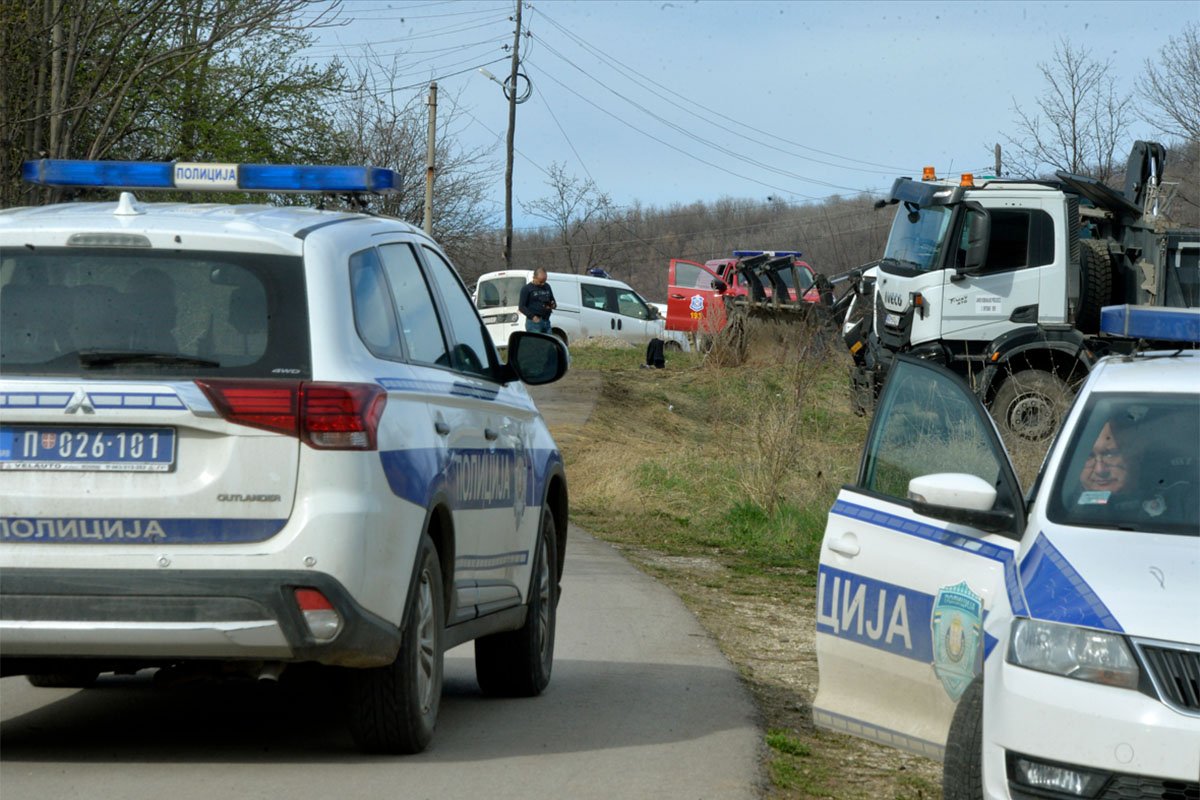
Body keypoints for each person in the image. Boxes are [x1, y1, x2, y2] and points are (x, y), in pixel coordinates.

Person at [519, 268, 556, 334]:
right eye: (540, 282)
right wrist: (533, 317)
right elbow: (521, 307)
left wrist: (552, 305)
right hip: (534, 323)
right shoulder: (527, 289)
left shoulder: (547, 287)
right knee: (536, 343)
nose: (543, 284)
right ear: (534, 277)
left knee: (548, 343)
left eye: (544, 281)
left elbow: (552, 301)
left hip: (546, 321)